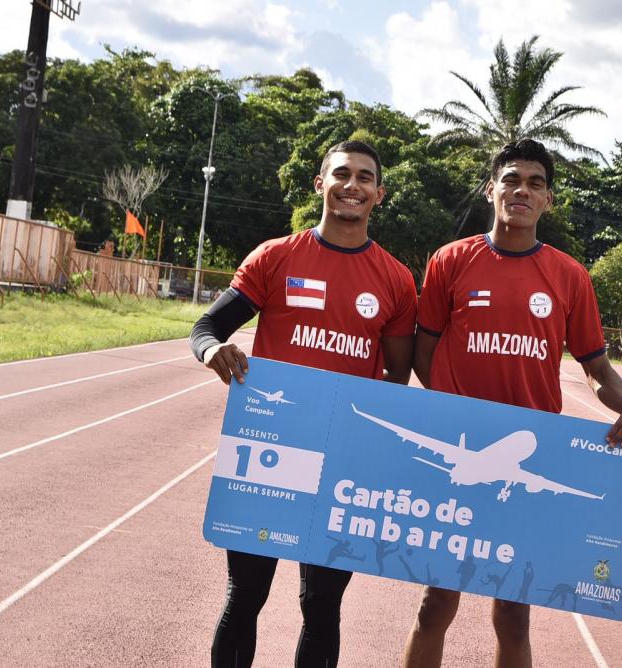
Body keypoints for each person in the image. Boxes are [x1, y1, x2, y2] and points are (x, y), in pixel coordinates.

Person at [405, 139, 622, 667]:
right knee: (434, 604)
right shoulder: (451, 261)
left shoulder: (569, 276)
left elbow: (596, 368)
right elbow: (425, 351)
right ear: (491, 189)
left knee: (514, 614)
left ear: (548, 200)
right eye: (511, 180)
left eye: (535, 184)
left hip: (528, 462)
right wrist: (454, 411)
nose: (522, 191)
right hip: (464, 452)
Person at [189, 140, 417, 667]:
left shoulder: (396, 280)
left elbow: (396, 376)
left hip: (343, 463)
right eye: (342, 174)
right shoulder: (276, 257)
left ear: (379, 194)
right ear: (320, 184)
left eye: (365, 177)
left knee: (321, 606)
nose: (352, 185)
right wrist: (212, 351)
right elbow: (207, 327)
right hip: (270, 454)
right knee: (245, 595)